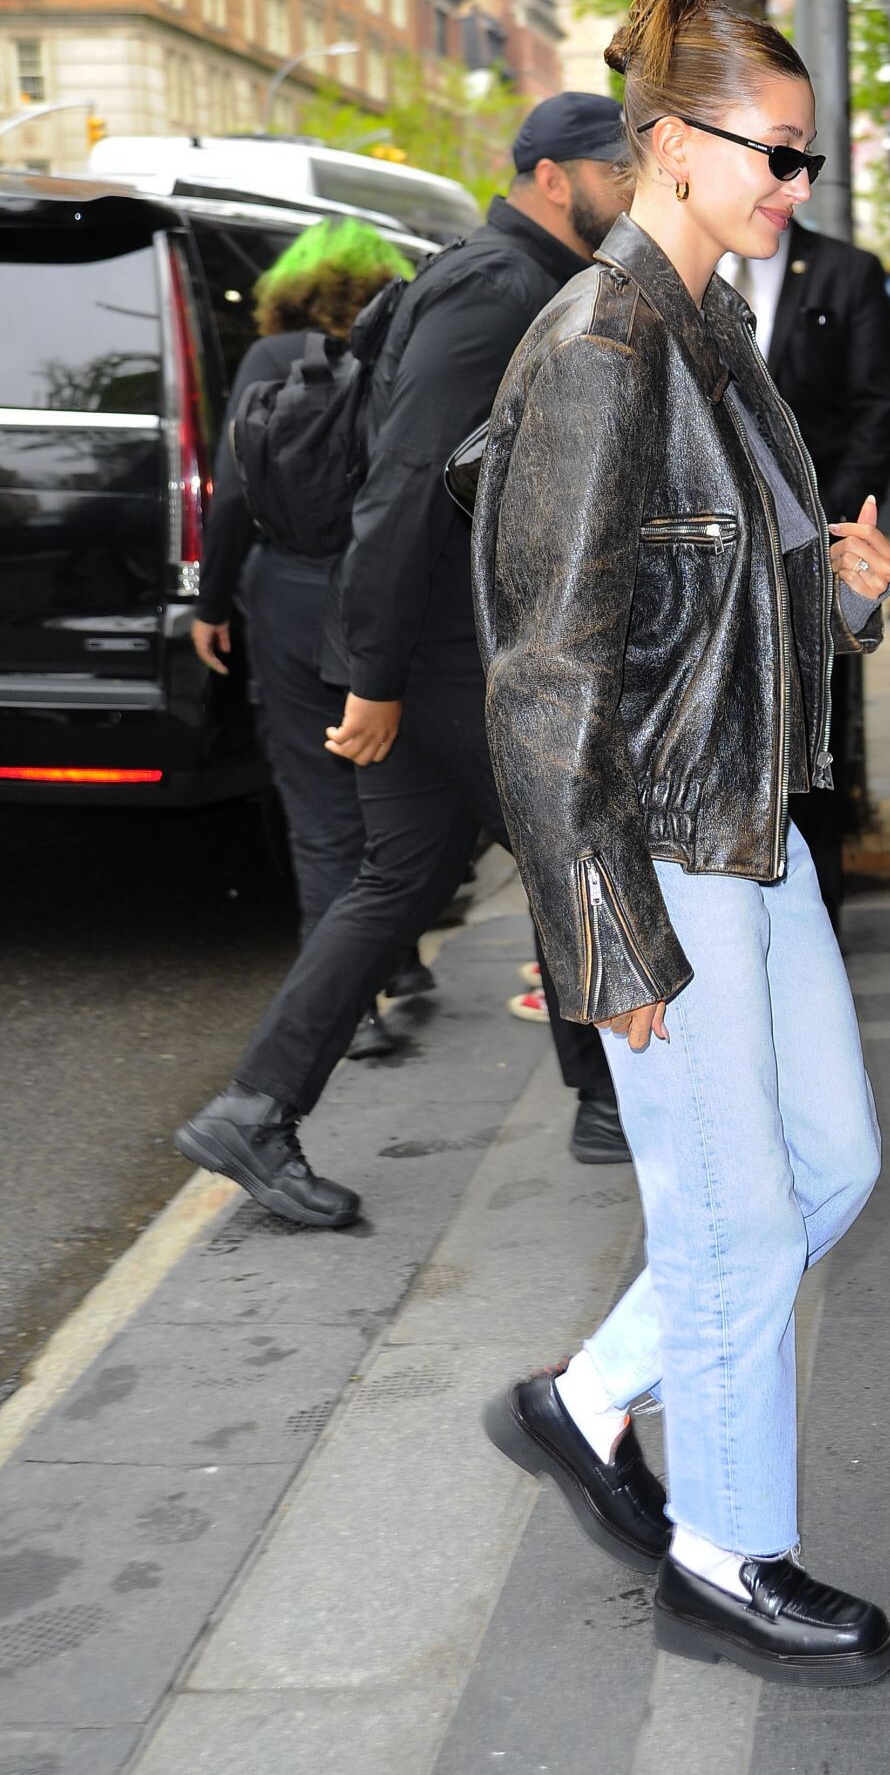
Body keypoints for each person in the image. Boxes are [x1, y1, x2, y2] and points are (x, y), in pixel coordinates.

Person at [476, 0, 890, 1687]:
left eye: (805, 155)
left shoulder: (710, 329)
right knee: (730, 1215)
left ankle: (585, 1399)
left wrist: (843, 598)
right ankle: (728, 1553)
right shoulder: (603, 347)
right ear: (668, 143)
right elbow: (545, 672)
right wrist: (607, 934)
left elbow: (716, 602)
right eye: (774, 151)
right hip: (661, 843)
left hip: (749, 821)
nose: (796, 182)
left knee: (832, 1165)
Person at [176, 94, 635, 1230]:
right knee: (578, 855)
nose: (632, 186)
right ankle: (613, 1101)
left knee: (405, 878)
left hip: (432, 647)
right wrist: (375, 678)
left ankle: (254, 1110)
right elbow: (404, 484)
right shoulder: (498, 289)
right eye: (615, 168)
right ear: (550, 178)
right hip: (441, 656)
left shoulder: (522, 278)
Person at [192, 219, 429, 1061]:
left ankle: (346, 1010)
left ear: (289, 288)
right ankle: (399, 955)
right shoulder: (405, 350)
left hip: (289, 593)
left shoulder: (269, 358)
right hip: (386, 594)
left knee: (321, 809)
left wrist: (211, 600)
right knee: (395, 790)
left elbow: (232, 493)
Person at [721, 213, 890, 922]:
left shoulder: (845, 272)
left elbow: (880, 402)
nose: (790, 182)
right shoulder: (688, 270)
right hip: (720, 571)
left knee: (812, 754)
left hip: (819, 560)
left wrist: (827, 530)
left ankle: (819, 921)